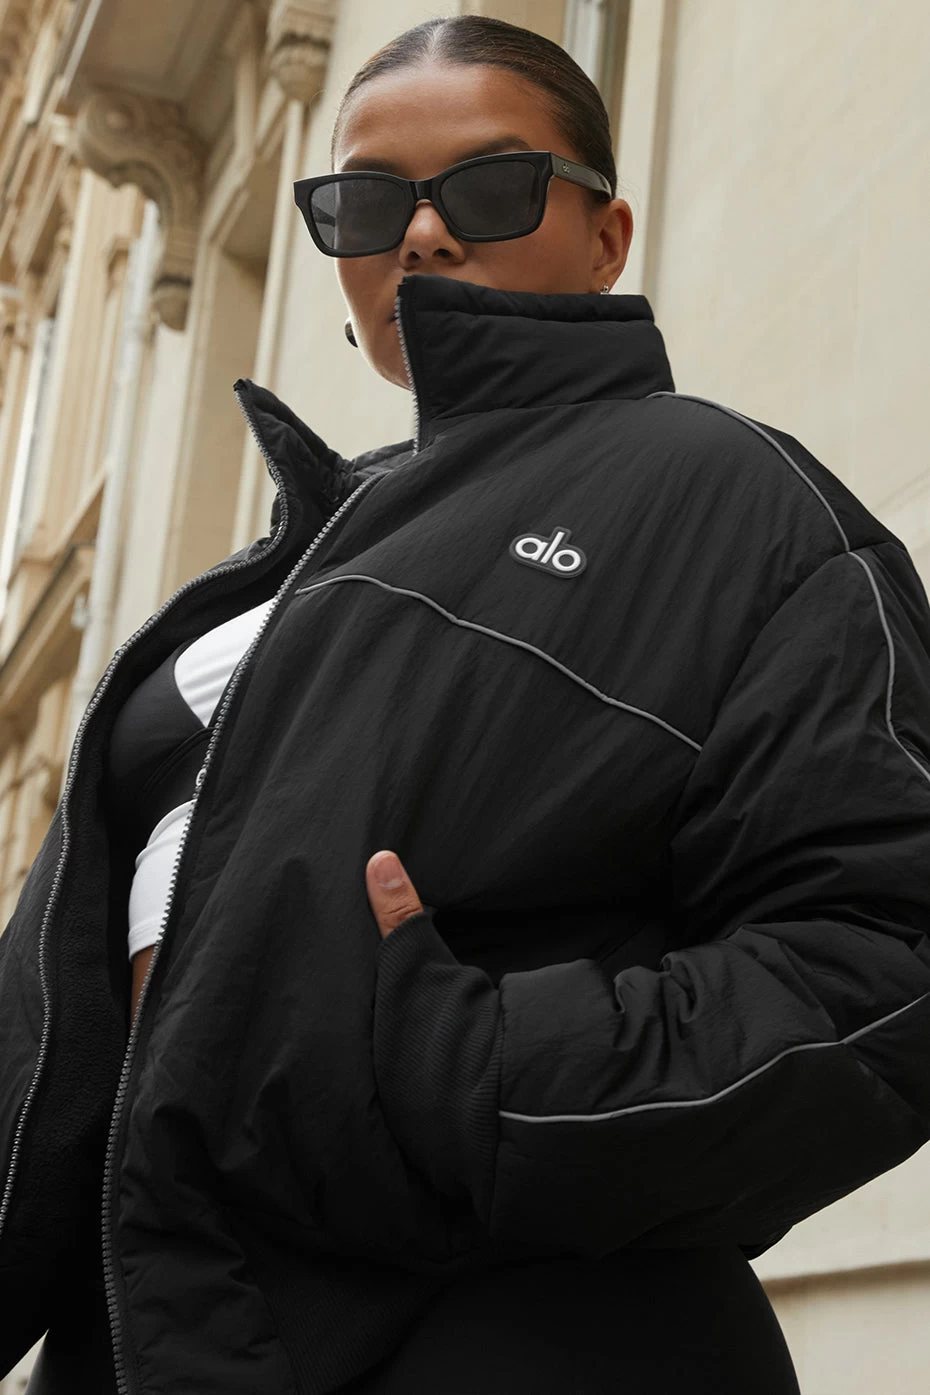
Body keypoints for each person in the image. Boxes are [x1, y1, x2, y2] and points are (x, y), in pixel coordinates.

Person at [3, 13, 930, 1394]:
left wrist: (468, 1073)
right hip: (138, 1330)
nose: (424, 235)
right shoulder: (296, 554)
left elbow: (881, 954)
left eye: (490, 185)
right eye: (368, 202)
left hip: (513, 1330)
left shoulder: (735, 502)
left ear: (608, 237)